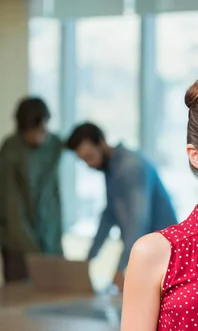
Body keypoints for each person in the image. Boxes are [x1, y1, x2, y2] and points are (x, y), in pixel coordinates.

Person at [65, 123, 177, 290]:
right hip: (147, 253)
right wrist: (89, 259)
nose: (89, 164)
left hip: (164, 254)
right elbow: (109, 216)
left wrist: (121, 268)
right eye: (83, 160)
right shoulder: (111, 169)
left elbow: (137, 222)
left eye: (89, 157)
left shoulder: (131, 166)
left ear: (101, 143)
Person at [0, 97, 63, 283]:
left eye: (43, 130)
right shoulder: (11, 151)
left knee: (55, 296)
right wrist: (35, 253)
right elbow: (13, 210)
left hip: (50, 240)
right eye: (33, 131)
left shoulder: (53, 145)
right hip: (17, 244)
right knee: (21, 300)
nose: (39, 136)